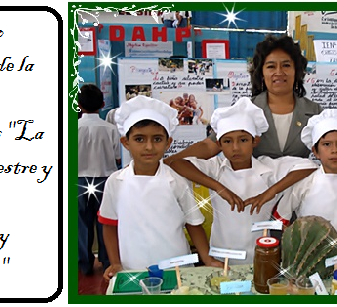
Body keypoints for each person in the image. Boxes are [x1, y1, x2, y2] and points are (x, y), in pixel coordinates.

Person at [164, 34, 337, 210]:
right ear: (261, 73)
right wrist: (164, 161)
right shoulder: (246, 111)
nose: (279, 72)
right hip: (253, 199)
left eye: (286, 65)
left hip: (301, 199)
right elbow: (209, 146)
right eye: (271, 66)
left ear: (297, 71)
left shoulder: (313, 111)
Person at [170, 97, 317, 265]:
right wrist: (219, 188)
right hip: (221, 256)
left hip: (261, 256)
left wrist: (269, 193)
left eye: (243, 140)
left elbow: (309, 165)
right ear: (219, 144)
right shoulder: (216, 169)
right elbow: (177, 163)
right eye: (227, 141)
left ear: (255, 141)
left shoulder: (268, 168)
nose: (235, 148)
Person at [98, 95, 223, 281]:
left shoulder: (176, 180)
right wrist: (115, 262)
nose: (149, 147)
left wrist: (206, 259)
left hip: (177, 267)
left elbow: (194, 223)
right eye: (139, 139)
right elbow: (109, 225)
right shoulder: (116, 181)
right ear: (126, 143)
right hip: (133, 267)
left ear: (168, 142)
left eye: (157, 139)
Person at [273, 109, 337, 255]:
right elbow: (282, 218)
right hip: (308, 258)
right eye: (326, 144)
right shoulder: (304, 183)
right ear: (315, 151)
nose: (334, 150)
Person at [77, 84, 120, 275]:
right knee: (106, 222)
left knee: (80, 225)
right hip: (105, 181)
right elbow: (118, 158)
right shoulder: (111, 129)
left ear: (78, 105)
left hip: (77, 181)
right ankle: (107, 261)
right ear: (103, 104)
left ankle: (84, 265)